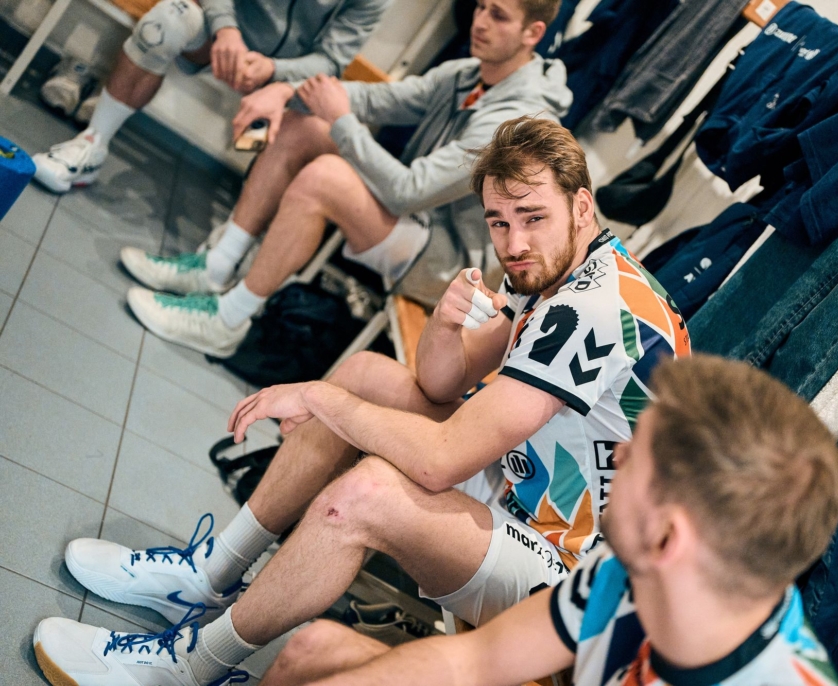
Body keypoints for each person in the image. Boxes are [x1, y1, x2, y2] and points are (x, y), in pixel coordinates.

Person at [32, 116, 691, 686]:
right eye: (499, 222)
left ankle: (186, 665)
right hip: (524, 488)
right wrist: (444, 326)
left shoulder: (597, 308)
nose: (513, 242)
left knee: (367, 494)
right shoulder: (556, 264)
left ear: (582, 206)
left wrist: (318, 397)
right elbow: (440, 385)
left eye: (533, 218)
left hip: (575, 576)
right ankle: (208, 578)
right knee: (370, 376)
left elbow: (440, 459)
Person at [266, 354, 838, 686]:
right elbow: (476, 660)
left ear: (669, 537)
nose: (618, 455)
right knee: (312, 652)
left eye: (637, 455)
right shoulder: (631, 567)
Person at [116, 0, 573, 358]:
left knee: (325, 177)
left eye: (499, 15)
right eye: (481, 6)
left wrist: (339, 119)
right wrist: (285, 90)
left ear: (532, 33)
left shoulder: (515, 121)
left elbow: (408, 192)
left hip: (445, 262)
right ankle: (215, 268)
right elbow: (375, 99)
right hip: (415, 218)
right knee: (302, 126)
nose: (480, 21)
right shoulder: (469, 73)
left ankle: (226, 322)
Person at [31, 0, 392, 193]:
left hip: (278, 77)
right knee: (169, 18)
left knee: (311, 121)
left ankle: (229, 246)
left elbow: (331, 60)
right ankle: (91, 144)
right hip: (221, 36)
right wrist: (227, 30)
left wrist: (273, 71)